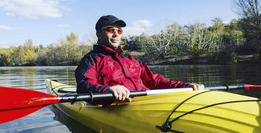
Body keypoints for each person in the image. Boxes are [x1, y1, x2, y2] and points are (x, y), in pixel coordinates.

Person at [75, 15, 204, 103]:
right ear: (99, 34)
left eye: (119, 31)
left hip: (145, 103)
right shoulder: (91, 59)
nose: (115, 34)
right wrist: (108, 90)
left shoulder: (131, 60)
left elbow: (156, 81)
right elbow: (83, 86)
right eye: (110, 30)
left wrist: (185, 86)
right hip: (118, 106)